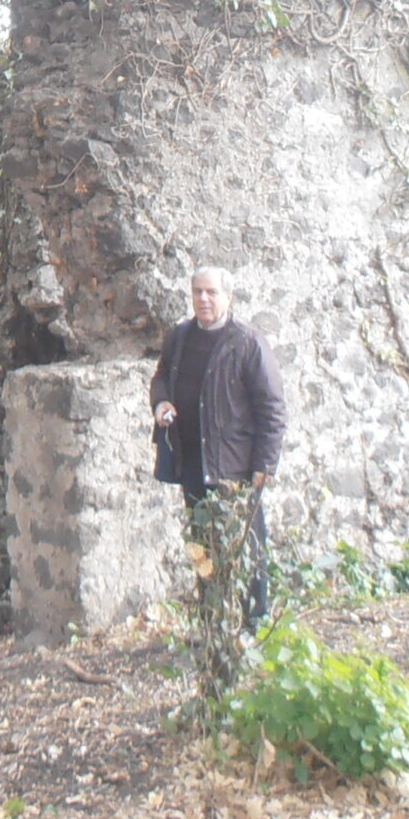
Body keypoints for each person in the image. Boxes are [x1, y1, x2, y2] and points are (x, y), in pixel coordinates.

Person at [151, 265, 286, 629]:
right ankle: (211, 615)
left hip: (235, 466)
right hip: (191, 461)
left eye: (211, 292)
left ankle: (252, 621)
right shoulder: (180, 337)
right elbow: (162, 377)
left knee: (248, 544)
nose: (203, 299)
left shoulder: (247, 343)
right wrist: (161, 403)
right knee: (199, 541)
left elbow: (272, 408)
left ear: (229, 297)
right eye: (197, 292)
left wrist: (264, 465)